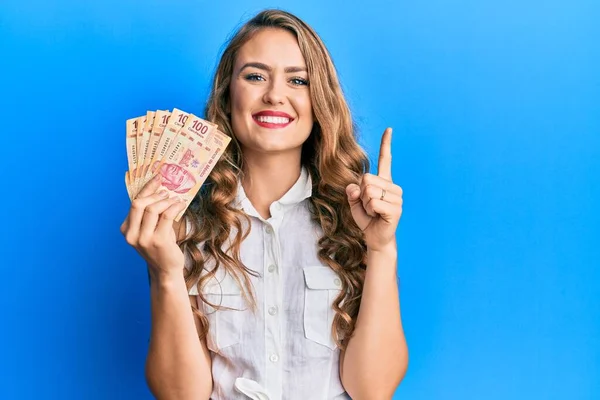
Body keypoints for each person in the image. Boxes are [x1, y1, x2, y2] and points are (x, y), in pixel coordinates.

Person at [120, 9, 408, 400]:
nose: (275, 94)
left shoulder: (356, 220)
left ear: (319, 99)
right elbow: (179, 394)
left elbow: (373, 390)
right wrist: (166, 273)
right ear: (227, 94)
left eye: (298, 80)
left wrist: (381, 248)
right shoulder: (182, 226)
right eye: (255, 76)